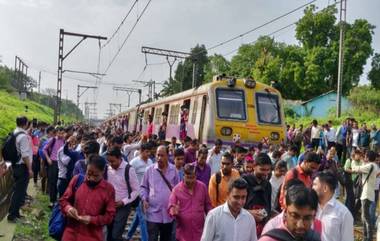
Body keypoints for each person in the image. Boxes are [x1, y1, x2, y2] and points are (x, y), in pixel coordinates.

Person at [60, 154, 116, 241]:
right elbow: (63, 200)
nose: (91, 178)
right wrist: (69, 208)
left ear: (103, 171)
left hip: (93, 236)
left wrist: (92, 220)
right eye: (89, 173)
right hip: (70, 233)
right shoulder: (77, 180)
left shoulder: (108, 190)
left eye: (96, 175)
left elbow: (109, 216)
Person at [140, 145, 180, 241]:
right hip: (153, 213)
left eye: (162, 155)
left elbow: (178, 190)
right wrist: (144, 198)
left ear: (167, 156)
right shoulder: (149, 170)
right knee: (152, 238)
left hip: (168, 214)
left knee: (166, 238)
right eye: (158, 155)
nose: (159, 158)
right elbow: (143, 187)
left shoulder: (174, 170)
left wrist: (176, 206)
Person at [169, 164, 212, 241]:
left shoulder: (202, 187)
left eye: (193, 178)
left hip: (200, 234)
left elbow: (208, 206)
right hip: (183, 236)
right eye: (188, 178)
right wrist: (174, 211)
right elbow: (171, 206)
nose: (190, 181)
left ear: (196, 176)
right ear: (183, 176)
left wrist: (211, 218)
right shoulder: (176, 190)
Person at [106, 147, 140, 241]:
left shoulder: (129, 169)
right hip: (109, 206)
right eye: (109, 161)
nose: (111, 164)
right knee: (109, 232)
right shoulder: (108, 169)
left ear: (119, 158)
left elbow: (136, 190)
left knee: (116, 234)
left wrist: (123, 202)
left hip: (123, 207)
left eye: (113, 161)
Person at [312, 171, 354, 241]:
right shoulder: (311, 206)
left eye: (315, 184)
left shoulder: (344, 214)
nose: (312, 188)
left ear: (325, 188)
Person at [7, 116, 33, 223]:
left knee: (17, 191)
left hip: (15, 166)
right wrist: (30, 169)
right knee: (19, 192)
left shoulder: (15, 132)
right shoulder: (23, 137)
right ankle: (13, 215)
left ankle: (15, 213)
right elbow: (25, 155)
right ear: (25, 123)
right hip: (22, 167)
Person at [126, 143, 153, 241]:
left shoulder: (150, 161)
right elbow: (127, 177)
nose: (149, 154)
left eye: (150, 152)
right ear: (141, 151)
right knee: (143, 220)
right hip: (138, 194)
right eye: (147, 152)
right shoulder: (134, 162)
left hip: (147, 193)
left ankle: (128, 235)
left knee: (139, 216)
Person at [242, 153, 273, 237]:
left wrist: (263, 214)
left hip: (260, 229)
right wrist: (249, 213)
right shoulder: (244, 181)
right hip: (243, 226)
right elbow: (235, 207)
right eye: (262, 169)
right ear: (254, 166)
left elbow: (268, 207)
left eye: (268, 170)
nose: (266, 173)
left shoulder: (268, 185)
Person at [351, 150, 379, 241]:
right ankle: (366, 237)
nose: (364, 157)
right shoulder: (375, 166)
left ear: (368, 157)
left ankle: (368, 238)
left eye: (365, 156)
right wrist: (363, 160)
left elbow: (355, 168)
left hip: (366, 194)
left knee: (365, 218)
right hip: (369, 194)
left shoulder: (370, 166)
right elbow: (364, 167)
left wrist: (353, 159)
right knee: (365, 217)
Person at [43, 126, 65, 206]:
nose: (61, 135)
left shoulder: (65, 141)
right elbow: (44, 149)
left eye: (62, 133)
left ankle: (59, 200)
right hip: (53, 163)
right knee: (52, 182)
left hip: (61, 164)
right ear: (56, 133)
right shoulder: (53, 140)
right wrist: (48, 159)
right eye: (59, 133)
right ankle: (52, 201)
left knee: (59, 182)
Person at [344, 149, 363, 218]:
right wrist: (354, 171)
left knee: (356, 198)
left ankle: (352, 212)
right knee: (350, 198)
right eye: (358, 154)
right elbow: (345, 169)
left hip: (358, 182)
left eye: (360, 154)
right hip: (350, 182)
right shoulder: (349, 160)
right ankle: (349, 214)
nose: (359, 156)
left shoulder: (361, 161)